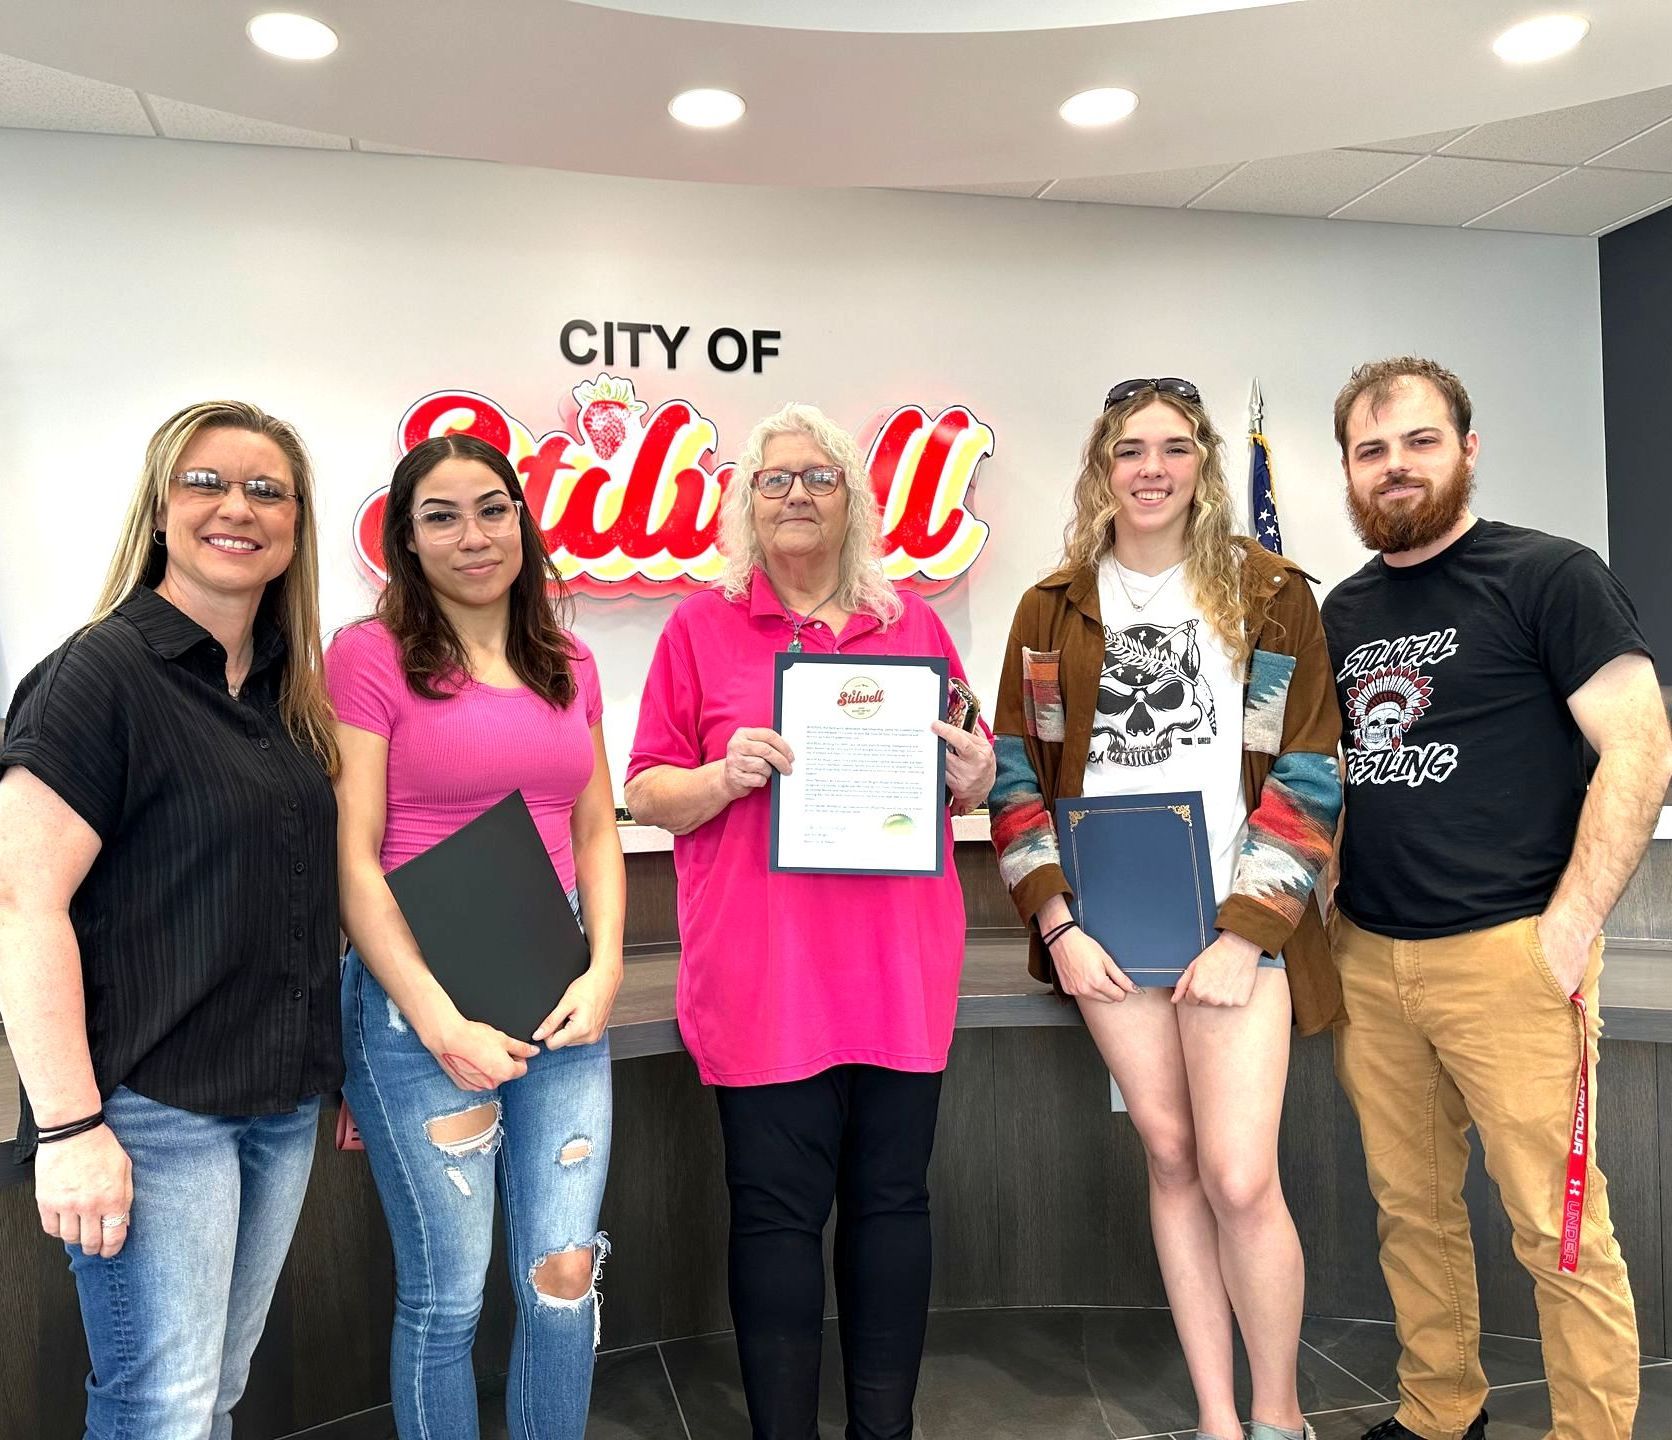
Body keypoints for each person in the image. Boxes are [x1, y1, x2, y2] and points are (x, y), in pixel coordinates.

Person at [625, 402, 995, 1440]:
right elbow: (646, 790)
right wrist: (721, 775)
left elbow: (973, 767)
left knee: (893, 1208)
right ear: (747, 503)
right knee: (776, 1219)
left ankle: (886, 1431)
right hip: (763, 973)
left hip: (895, 969)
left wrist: (975, 773)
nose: (796, 494)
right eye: (774, 478)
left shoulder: (912, 623)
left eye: (818, 477)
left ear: (853, 499)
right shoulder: (699, 626)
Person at [1322, 357, 1672, 1440]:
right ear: (1346, 468)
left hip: (1511, 957)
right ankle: (1438, 1413)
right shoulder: (1342, 609)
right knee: (1410, 1214)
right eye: (1371, 450)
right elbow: (1330, 772)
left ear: (1466, 451)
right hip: (1373, 962)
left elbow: (1640, 747)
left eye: (1418, 442)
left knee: (1555, 1230)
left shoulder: (1548, 575)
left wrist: (1567, 933)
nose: (1395, 468)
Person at [990, 378, 1344, 1440]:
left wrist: (1246, 936)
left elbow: (1308, 770)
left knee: (1240, 1175)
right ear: (1101, 465)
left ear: (1203, 465)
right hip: (1109, 924)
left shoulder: (1270, 593)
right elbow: (1022, 774)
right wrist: (1059, 926)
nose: (1152, 468)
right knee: (1172, 1153)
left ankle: (1278, 1419)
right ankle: (1215, 1419)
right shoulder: (1052, 609)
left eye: (1174, 449)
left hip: (1244, 919)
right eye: (1129, 449)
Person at [0, 401, 341, 1439]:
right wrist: (68, 1129)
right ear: (159, 510)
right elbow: (22, 905)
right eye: (206, 483)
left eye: (265, 490)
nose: (236, 507)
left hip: (275, 1109)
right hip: (153, 1112)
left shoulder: (286, 697)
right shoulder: (97, 675)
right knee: (164, 1409)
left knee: (209, 1399)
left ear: (295, 527)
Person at [327, 433, 624, 1440]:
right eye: (441, 516)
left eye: (492, 509)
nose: (473, 535)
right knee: (447, 1299)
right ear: (406, 542)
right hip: (420, 1009)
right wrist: (436, 1016)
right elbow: (354, 858)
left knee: (562, 1275)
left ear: (521, 521)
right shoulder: (367, 657)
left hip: (557, 986)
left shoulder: (567, 659)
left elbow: (596, 828)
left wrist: (608, 965)